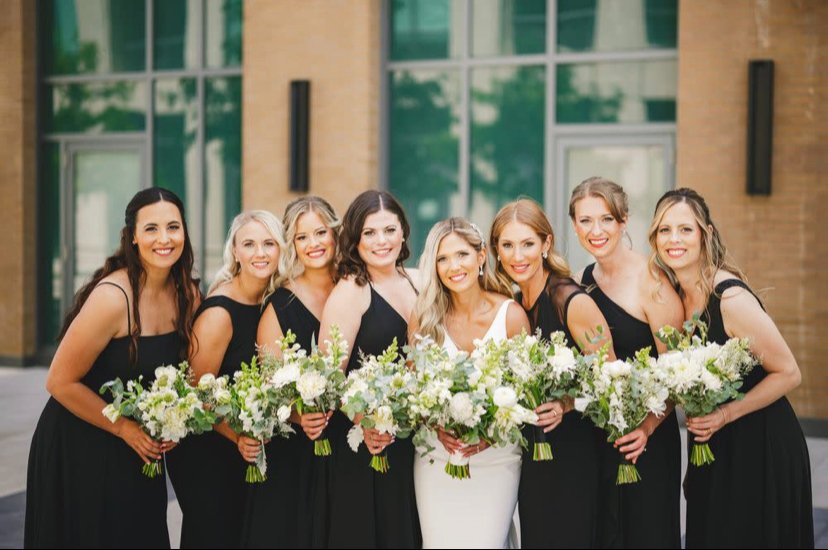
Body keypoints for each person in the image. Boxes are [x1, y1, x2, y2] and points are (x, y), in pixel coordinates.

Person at [25, 188, 200, 549]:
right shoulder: (112, 298)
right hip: (80, 442)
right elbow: (59, 381)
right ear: (133, 237)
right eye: (151, 229)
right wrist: (123, 429)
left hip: (137, 449)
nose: (164, 239)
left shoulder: (189, 297)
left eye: (173, 227)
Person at [650, 187, 814, 549]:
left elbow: (789, 372)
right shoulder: (676, 297)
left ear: (705, 234)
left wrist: (726, 414)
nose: (673, 239)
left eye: (685, 229)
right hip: (713, 448)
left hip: (760, 446)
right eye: (664, 230)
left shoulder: (730, 299)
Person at [490, 198, 611, 549]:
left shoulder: (571, 301)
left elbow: (612, 378)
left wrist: (567, 404)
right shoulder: (512, 302)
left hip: (573, 456)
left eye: (527, 243)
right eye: (508, 245)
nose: (518, 256)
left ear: (546, 244)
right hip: (533, 459)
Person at [569, 177, 683, 548]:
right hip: (598, 441)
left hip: (648, 442)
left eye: (606, 219)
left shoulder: (653, 281)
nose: (595, 231)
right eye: (585, 221)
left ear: (623, 221)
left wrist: (646, 428)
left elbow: (676, 374)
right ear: (574, 225)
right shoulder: (582, 282)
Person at [409, 217, 530, 549]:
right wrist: (435, 425)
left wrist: (489, 436)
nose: (453, 266)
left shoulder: (511, 315)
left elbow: (526, 395)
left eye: (462, 254)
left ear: (481, 258)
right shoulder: (424, 316)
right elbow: (412, 393)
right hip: (437, 457)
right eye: (442, 259)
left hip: (497, 457)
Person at [165, 210, 283, 548]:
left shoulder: (271, 301)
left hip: (243, 447)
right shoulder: (220, 312)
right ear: (235, 252)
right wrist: (238, 436)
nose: (260, 253)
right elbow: (194, 394)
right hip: (208, 450)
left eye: (268, 244)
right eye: (249, 244)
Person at [318, 190, 422, 548]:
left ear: (404, 232)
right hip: (367, 446)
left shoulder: (418, 281)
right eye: (370, 233)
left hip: (412, 443)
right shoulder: (352, 291)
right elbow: (329, 377)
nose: (382, 241)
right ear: (355, 241)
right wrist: (367, 423)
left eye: (390, 230)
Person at [244, 196, 339, 548]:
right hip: (298, 454)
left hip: (349, 445)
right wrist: (300, 416)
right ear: (292, 244)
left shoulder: (355, 287)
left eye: (320, 233)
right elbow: (271, 384)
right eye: (302, 237)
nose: (313, 244)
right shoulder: (279, 306)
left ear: (335, 233)